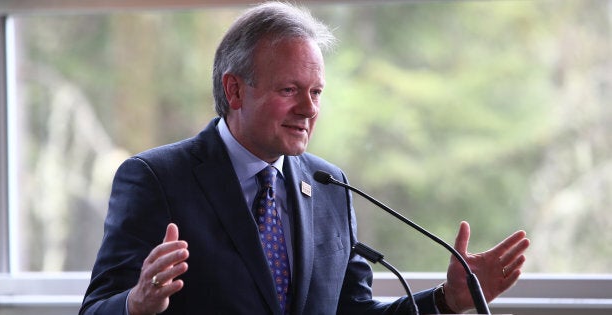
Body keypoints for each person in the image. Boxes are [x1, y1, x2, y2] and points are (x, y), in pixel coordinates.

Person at [80, 2, 530, 314]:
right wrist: (137, 304)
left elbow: (353, 312)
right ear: (235, 89)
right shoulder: (155, 179)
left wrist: (447, 301)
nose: (310, 109)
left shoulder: (330, 185)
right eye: (289, 90)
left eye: (316, 92)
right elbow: (97, 308)